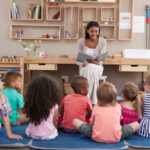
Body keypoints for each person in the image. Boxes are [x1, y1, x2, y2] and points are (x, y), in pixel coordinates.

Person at [73, 82, 139, 143]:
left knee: (75, 121)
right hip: (116, 137)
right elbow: (118, 121)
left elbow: (91, 124)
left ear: (98, 97)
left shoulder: (96, 107)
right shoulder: (118, 106)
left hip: (96, 136)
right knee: (137, 124)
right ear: (114, 96)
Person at [76, 21, 107, 105]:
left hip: (97, 68)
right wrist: (85, 63)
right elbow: (78, 61)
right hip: (84, 67)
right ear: (87, 31)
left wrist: (92, 62)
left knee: (91, 67)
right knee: (89, 68)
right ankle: (94, 101)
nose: (94, 33)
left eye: (96, 31)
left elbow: (100, 59)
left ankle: (85, 99)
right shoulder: (81, 41)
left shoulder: (102, 41)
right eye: (92, 31)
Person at [24, 74, 61, 140]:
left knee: (28, 128)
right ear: (53, 92)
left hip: (31, 134)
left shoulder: (31, 103)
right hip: (48, 135)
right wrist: (56, 129)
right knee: (54, 130)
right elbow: (55, 121)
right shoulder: (54, 105)